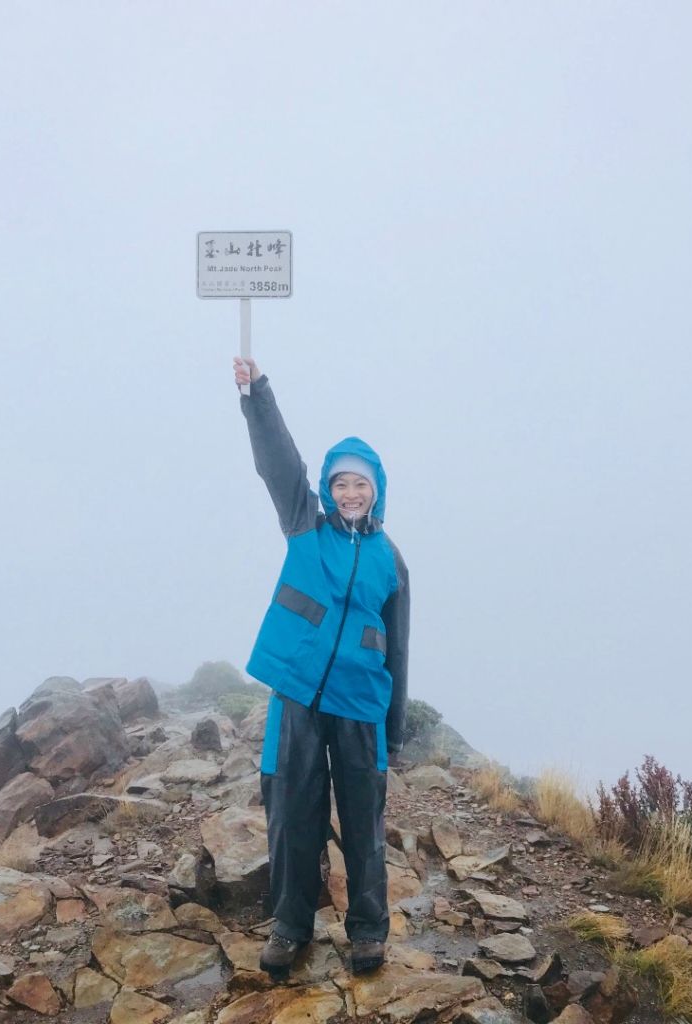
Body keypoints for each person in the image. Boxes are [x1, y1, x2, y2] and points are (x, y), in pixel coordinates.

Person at [233, 356, 410, 981]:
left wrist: (396, 726)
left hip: (361, 707)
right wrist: (258, 395)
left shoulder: (391, 561)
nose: (350, 492)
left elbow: (398, 646)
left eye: (360, 484)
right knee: (292, 815)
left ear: (377, 489)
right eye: (341, 483)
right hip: (298, 698)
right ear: (329, 489)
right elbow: (279, 462)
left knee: (364, 824)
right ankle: (289, 926)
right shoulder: (305, 523)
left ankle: (368, 933)